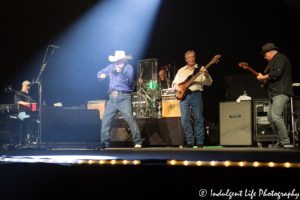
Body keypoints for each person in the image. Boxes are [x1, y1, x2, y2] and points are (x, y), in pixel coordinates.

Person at [97, 50, 143, 149]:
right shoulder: (111, 66)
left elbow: (129, 82)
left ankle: (138, 141)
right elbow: (100, 72)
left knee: (129, 118)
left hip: (124, 97)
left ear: (123, 59)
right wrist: (101, 74)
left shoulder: (128, 68)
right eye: (116, 60)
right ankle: (105, 143)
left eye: (118, 60)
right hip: (112, 98)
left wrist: (121, 73)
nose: (116, 62)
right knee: (105, 119)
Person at [173, 50, 212, 148]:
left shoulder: (201, 68)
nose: (192, 58)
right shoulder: (181, 70)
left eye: (193, 57)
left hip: (196, 94)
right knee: (185, 119)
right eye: (190, 57)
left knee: (198, 118)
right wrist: (177, 87)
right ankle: (190, 141)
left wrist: (206, 75)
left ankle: (200, 142)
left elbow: (209, 83)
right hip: (184, 96)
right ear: (186, 59)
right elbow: (174, 83)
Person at [257, 43, 293, 148]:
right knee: (270, 117)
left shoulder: (280, 57)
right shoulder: (275, 61)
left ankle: (285, 141)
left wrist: (263, 77)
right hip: (275, 93)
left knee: (276, 115)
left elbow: (276, 73)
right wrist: (266, 85)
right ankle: (280, 141)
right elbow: (276, 78)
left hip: (281, 92)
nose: (265, 58)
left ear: (269, 52)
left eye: (265, 55)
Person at [14, 80, 37, 146]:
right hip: (22, 113)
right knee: (29, 119)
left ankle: (37, 138)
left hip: (30, 113)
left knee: (39, 120)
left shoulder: (28, 96)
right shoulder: (18, 93)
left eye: (29, 86)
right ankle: (28, 139)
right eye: (27, 86)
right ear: (23, 86)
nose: (29, 88)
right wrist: (29, 104)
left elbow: (34, 104)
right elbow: (19, 102)